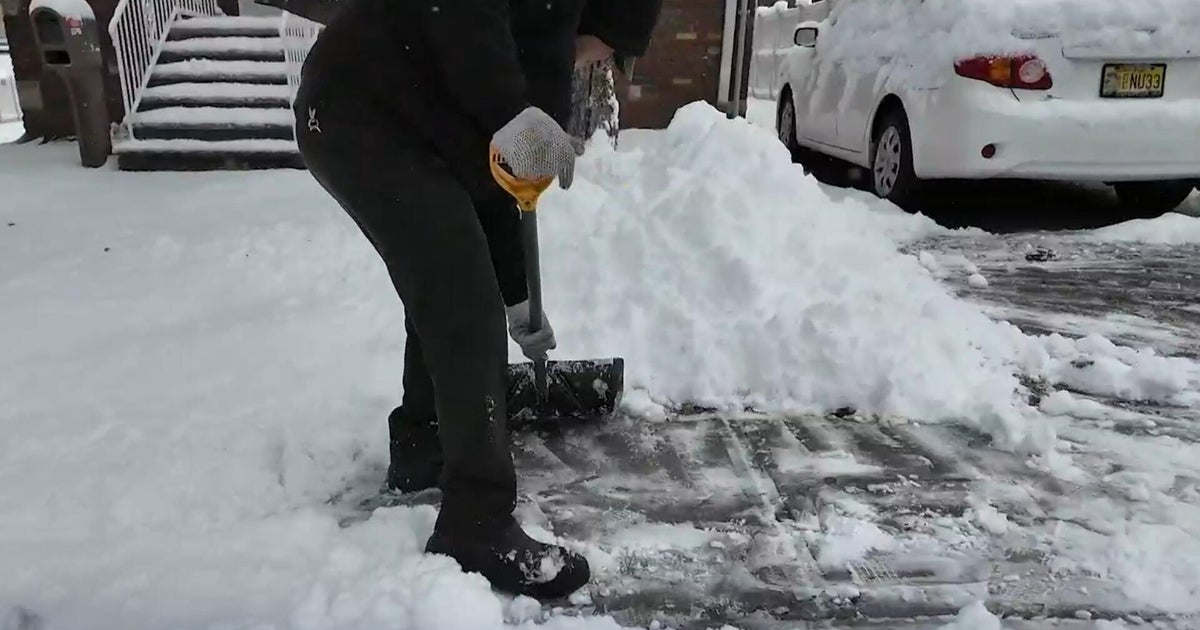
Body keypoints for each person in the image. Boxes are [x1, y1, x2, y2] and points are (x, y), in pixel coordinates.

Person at [292, 0, 661, 600]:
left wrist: (518, 301)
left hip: (377, 113)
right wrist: (514, 118)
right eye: (606, 50)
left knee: (449, 285)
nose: (595, 62)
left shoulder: (533, 40)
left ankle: (423, 443)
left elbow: (494, 187)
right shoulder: (535, 33)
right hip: (362, 111)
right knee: (464, 308)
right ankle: (477, 521)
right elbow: (463, 20)